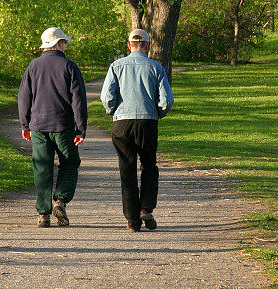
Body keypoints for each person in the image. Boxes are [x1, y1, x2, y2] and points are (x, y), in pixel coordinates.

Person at [101, 28, 173, 231]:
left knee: (127, 169)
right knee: (149, 166)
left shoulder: (116, 66)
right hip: (148, 122)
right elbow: (166, 100)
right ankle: (146, 208)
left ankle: (132, 220)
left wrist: (113, 111)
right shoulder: (156, 67)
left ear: (129, 44)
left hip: (122, 122)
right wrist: (158, 113)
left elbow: (107, 97)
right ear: (147, 45)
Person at [18, 26, 87, 228]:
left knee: (42, 168)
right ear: (59, 44)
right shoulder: (69, 66)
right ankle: (60, 200)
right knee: (70, 163)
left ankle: (43, 215)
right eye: (64, 42)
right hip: (63, 126)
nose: (65, 45)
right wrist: (81, 129)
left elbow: (24, 97)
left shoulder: (33, 66)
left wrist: (25, 123)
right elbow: (79, 100)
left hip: (38, 126)